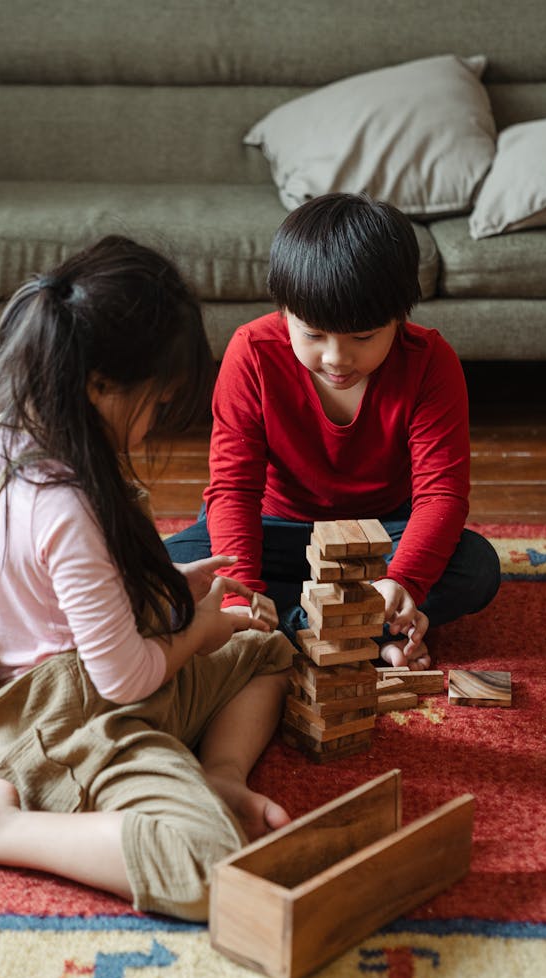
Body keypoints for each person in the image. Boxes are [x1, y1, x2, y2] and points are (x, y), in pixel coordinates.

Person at [0, 235, 295, 922]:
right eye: (154, 406)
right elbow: (123, 680)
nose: (152, 429)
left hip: (107, 665)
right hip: (65, 725)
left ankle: (221, 773)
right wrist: (197, 631)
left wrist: (170, 584)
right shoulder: (64, 502)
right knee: (206, 861)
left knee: (267, 648)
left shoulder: (24, 427)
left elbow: (66, 591)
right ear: (98, 385)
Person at [167, 193, 500, 669]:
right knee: (161, 572)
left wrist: (401, 580)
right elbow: (234, 491)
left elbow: (441, 496)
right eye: (313, 334)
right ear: (284, 312)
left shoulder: (430, 362)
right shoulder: (253, 353)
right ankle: (357, 635)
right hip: (275, 531)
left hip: (379, 537)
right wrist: (241, 597)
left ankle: (301, 629)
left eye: (363, 337)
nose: (337, 359)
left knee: (476, 567)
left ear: (399, 316)